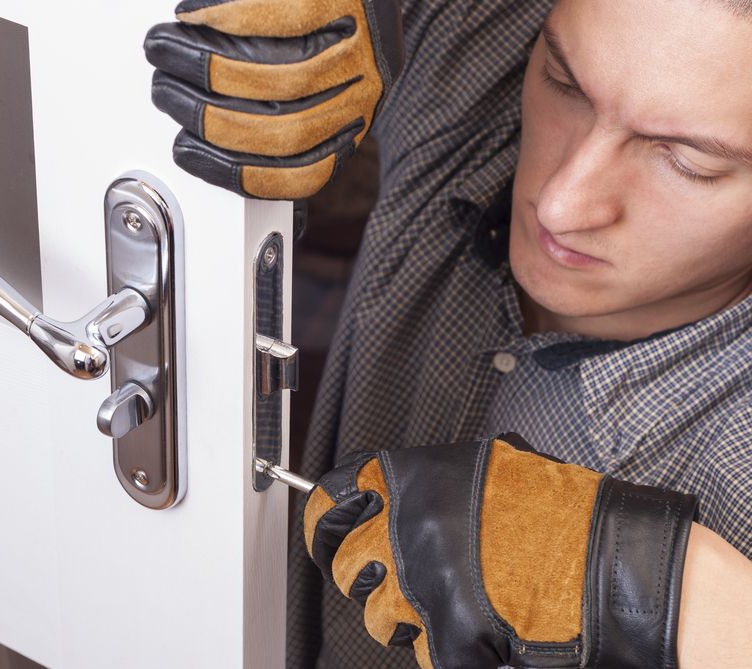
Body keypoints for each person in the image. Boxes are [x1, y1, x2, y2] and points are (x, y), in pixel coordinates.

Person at [144, 0, 752, 666]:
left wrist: (665, 589)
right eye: (565, 83)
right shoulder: (475, 79)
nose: (560, 204)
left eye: (689, 162)